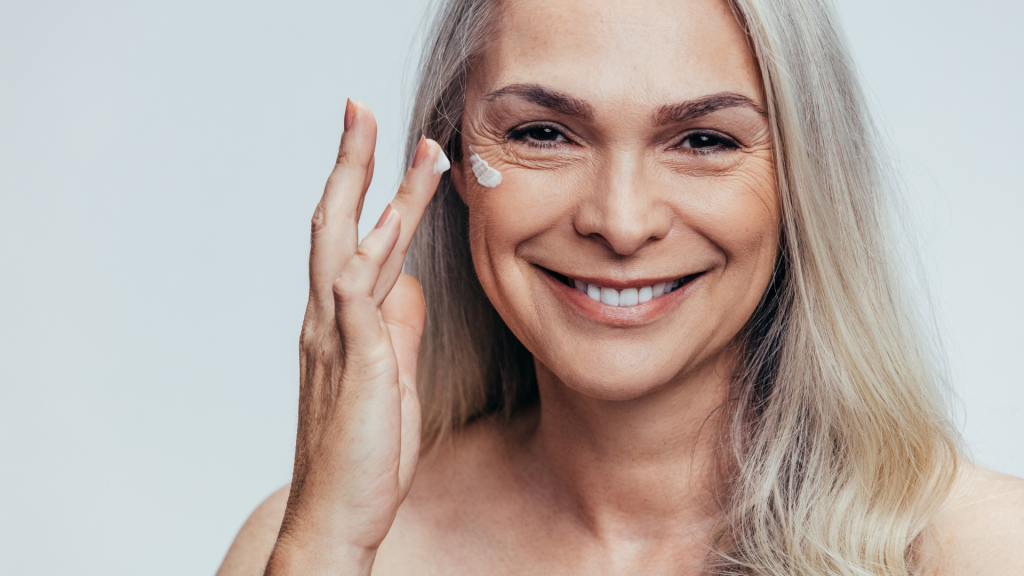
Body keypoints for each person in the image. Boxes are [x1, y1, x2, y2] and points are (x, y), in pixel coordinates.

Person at [216, 0, 1024, 573]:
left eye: (704, 140)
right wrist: (325, 552)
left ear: (802, 180)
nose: (622, 221)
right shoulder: (309, 545)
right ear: (455, 160)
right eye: (543, 133)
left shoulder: (981, 551)